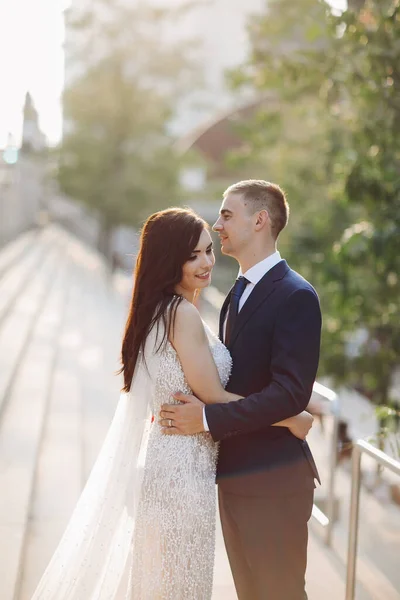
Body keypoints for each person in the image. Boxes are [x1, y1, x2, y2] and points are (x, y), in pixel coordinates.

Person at [31, 207, 313, 600]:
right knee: (180, 585)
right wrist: (290, 418)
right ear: (169, 260)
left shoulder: (163, 309)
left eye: (208, 250)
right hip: (182, 470)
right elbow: (212, 394)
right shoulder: (181, 313)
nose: (206, 262)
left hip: (177, 460)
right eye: (192, 255)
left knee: (167, 583)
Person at [160, 181, 322, 600]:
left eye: (227, 215)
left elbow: (290, 393)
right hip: (234, 476)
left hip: (275, 480)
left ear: (260, 220)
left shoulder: (296, 295)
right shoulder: (235, 292)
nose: (217, 225)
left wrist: (208, 418)